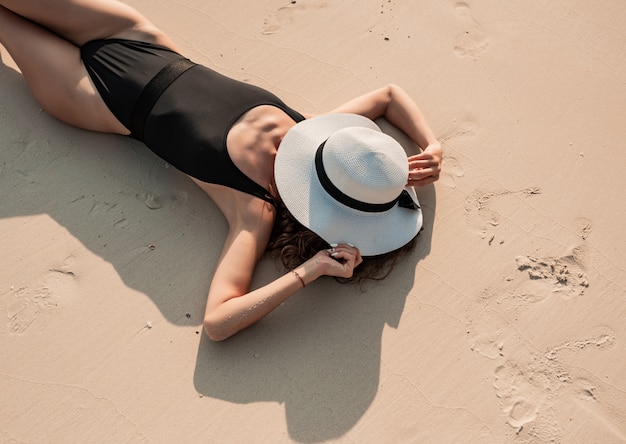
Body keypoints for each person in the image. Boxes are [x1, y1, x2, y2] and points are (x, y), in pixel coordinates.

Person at [0, 0, 442, 341]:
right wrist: (431, 144)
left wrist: (311, 271)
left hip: (93, 97)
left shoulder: (255, 210)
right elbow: (388, 95)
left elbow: (217, 321)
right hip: (136, 36)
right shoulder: (315, 137)